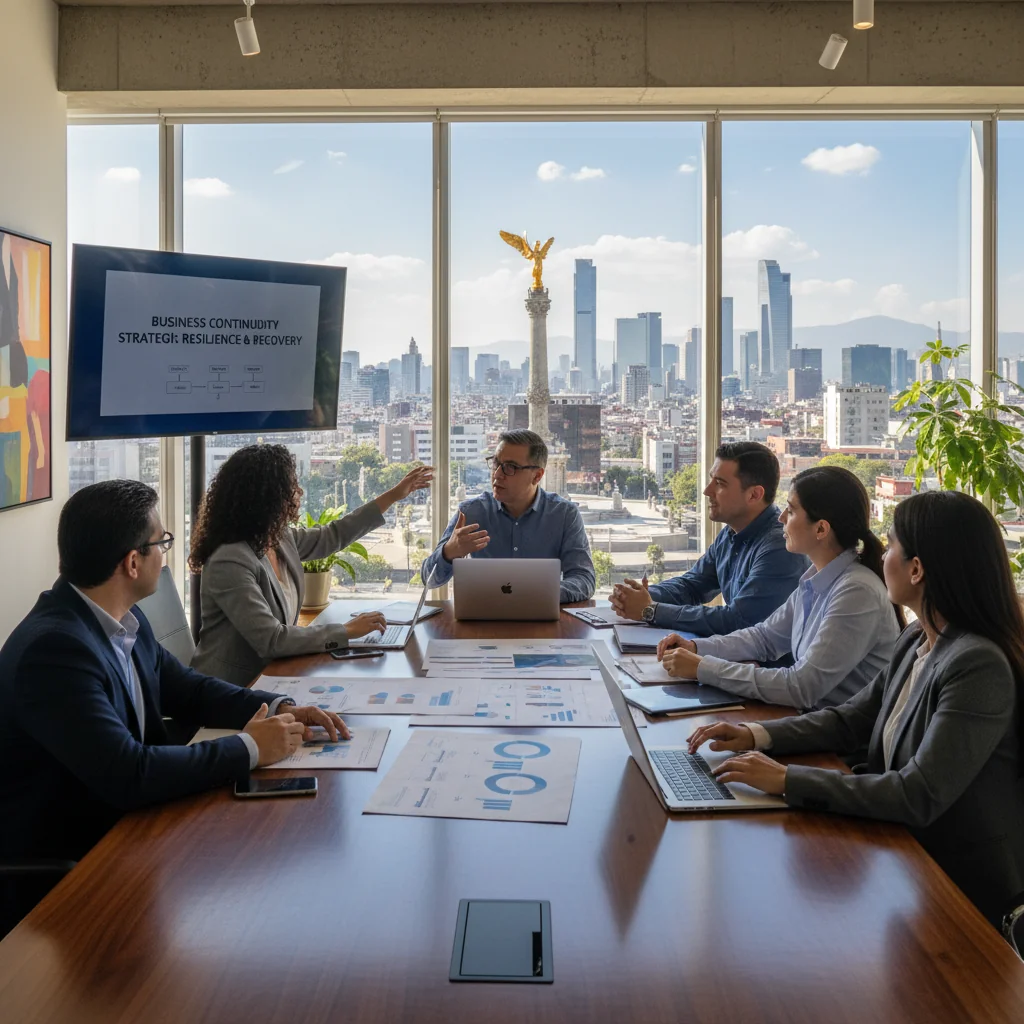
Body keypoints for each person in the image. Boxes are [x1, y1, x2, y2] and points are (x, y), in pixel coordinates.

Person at [0, 480, 348, 920]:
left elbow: (188, 688)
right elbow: (127, 773)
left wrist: (279, 707)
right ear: (132, 562)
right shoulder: (53, 653)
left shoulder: (122, 618)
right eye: (161, 542)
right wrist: (253, 747)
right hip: (76, 871)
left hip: (134, 831)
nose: (166, 552)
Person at [687, 490, 1024, 927]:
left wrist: (786, 779)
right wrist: (758, 735)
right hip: (902, 855)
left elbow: (916, 794)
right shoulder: (918, 639)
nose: (881, 554)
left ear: (917, 570)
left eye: (892, 545)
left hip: (956, 889)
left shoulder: (977, 664)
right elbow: (852, 719)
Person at [655, 467, 903, 710]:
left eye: (791, 510)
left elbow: (800, 687)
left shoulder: (857, 592)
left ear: (821, 529)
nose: (781, 517)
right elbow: (764, 638)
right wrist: (697, 648)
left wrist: (702, 667)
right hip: (808, 726)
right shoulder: (818, 580)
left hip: (838, 746)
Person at [189, 444, 432, 686]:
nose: (300, 492)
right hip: (229, 691)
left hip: (272, 677)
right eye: (292, 486)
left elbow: (331, 536)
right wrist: (346, 631)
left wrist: (393, 495)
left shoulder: (278, 538)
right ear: (269, 496)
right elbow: (272, 639)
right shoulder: (230, 560)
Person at [610, 442, 807, 635]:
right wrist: (640, 596)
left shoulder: (780, 547)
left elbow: (738, 620)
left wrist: (650, 611)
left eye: (720, 484)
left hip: (767, 666)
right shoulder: (731, 533)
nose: (707, 491)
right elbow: (693, 585)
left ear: (754, 495)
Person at [420, 429, 595, 603]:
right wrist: (449, 552)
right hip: (481, 623)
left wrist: (545, 593)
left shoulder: (564, 515)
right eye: (496, 464)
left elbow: (584, 578)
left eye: (510, 467)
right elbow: (429, 579)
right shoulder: (471, 512)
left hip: (542, 621)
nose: (497, 474)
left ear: (537, 475)